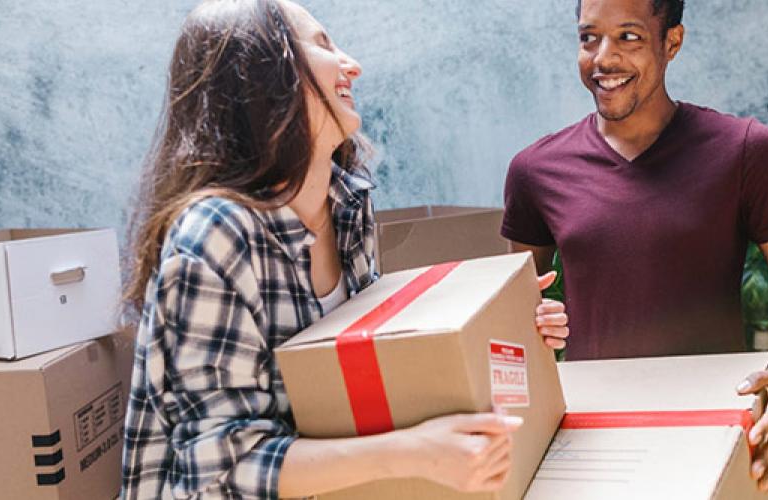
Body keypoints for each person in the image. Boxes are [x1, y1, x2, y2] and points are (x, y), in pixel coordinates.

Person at [119, 1, 570, 498]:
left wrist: (507, 336)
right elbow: (221, 471)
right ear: (261, 73)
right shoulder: (216, 236)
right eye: (323, 44)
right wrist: (413, 452)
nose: (352, 64)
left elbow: (367, 368)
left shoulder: (347, 203)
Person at [501, 0, 768, 492]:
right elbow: (518, 319)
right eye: (588, 37)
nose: (603, 58)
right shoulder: (535, 171)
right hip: (593, 446)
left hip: (714, 436)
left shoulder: (746, 151)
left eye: (629, 37)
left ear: (672, 43)